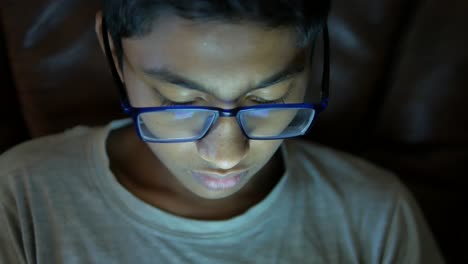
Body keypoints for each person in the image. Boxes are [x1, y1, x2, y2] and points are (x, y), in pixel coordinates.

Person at [0, 1, 444, 263]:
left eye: (268, 99)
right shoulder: (20, 201)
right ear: (114, 53)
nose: (227, 155)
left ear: (312, 60)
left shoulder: (376, 217)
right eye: (179, 101)